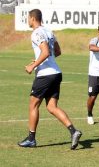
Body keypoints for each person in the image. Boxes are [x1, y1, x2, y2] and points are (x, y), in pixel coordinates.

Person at [19, 9, 82, 149]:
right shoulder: (49, 31)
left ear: (33, 18)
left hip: (45, 75)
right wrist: (39, 60)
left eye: (28, 18)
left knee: (33, 104)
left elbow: (46, 52)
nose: (27, 20)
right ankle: (73, 131)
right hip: (56, 73)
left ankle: (31, 139)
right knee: (52, 107)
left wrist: (33, 65)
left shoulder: (36, 33)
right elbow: (57, 52)